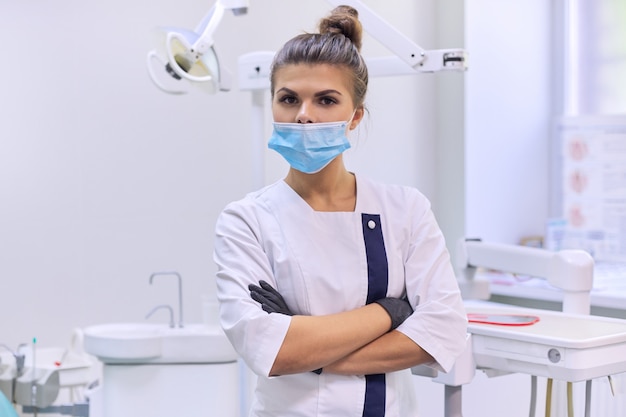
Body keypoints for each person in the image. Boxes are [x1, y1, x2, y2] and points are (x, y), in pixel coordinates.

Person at [214, 5, 467, 416]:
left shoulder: (405, 209)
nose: (304, 115)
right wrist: (390, 312)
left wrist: (307, 350)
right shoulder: (246, 220)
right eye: (289, 98)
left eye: (326, 100)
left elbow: (443, 329)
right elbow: (270, 351)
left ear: (355, 116)